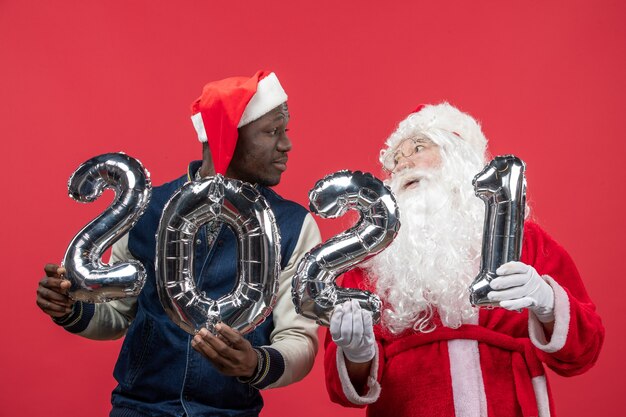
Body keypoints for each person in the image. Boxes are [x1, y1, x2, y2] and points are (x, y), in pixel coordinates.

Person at [36, 71, 321, 417]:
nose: (286, 145)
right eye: (272, 131)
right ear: (227, 138)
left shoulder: (292, 226)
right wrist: (71, 309)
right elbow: (117, 314)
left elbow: (298, 338)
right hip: (138, 409)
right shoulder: (146, 209)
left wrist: (255, 363)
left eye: (285, 131)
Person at [324, 103, 604, 417]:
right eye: (395, 160)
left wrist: (547, 303)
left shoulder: (525, 239)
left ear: (459, 158)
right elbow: (343, 389)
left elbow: (585, 351)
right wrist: (356, 355)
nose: (403, 165)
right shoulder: (373, 259)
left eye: (418, 147)